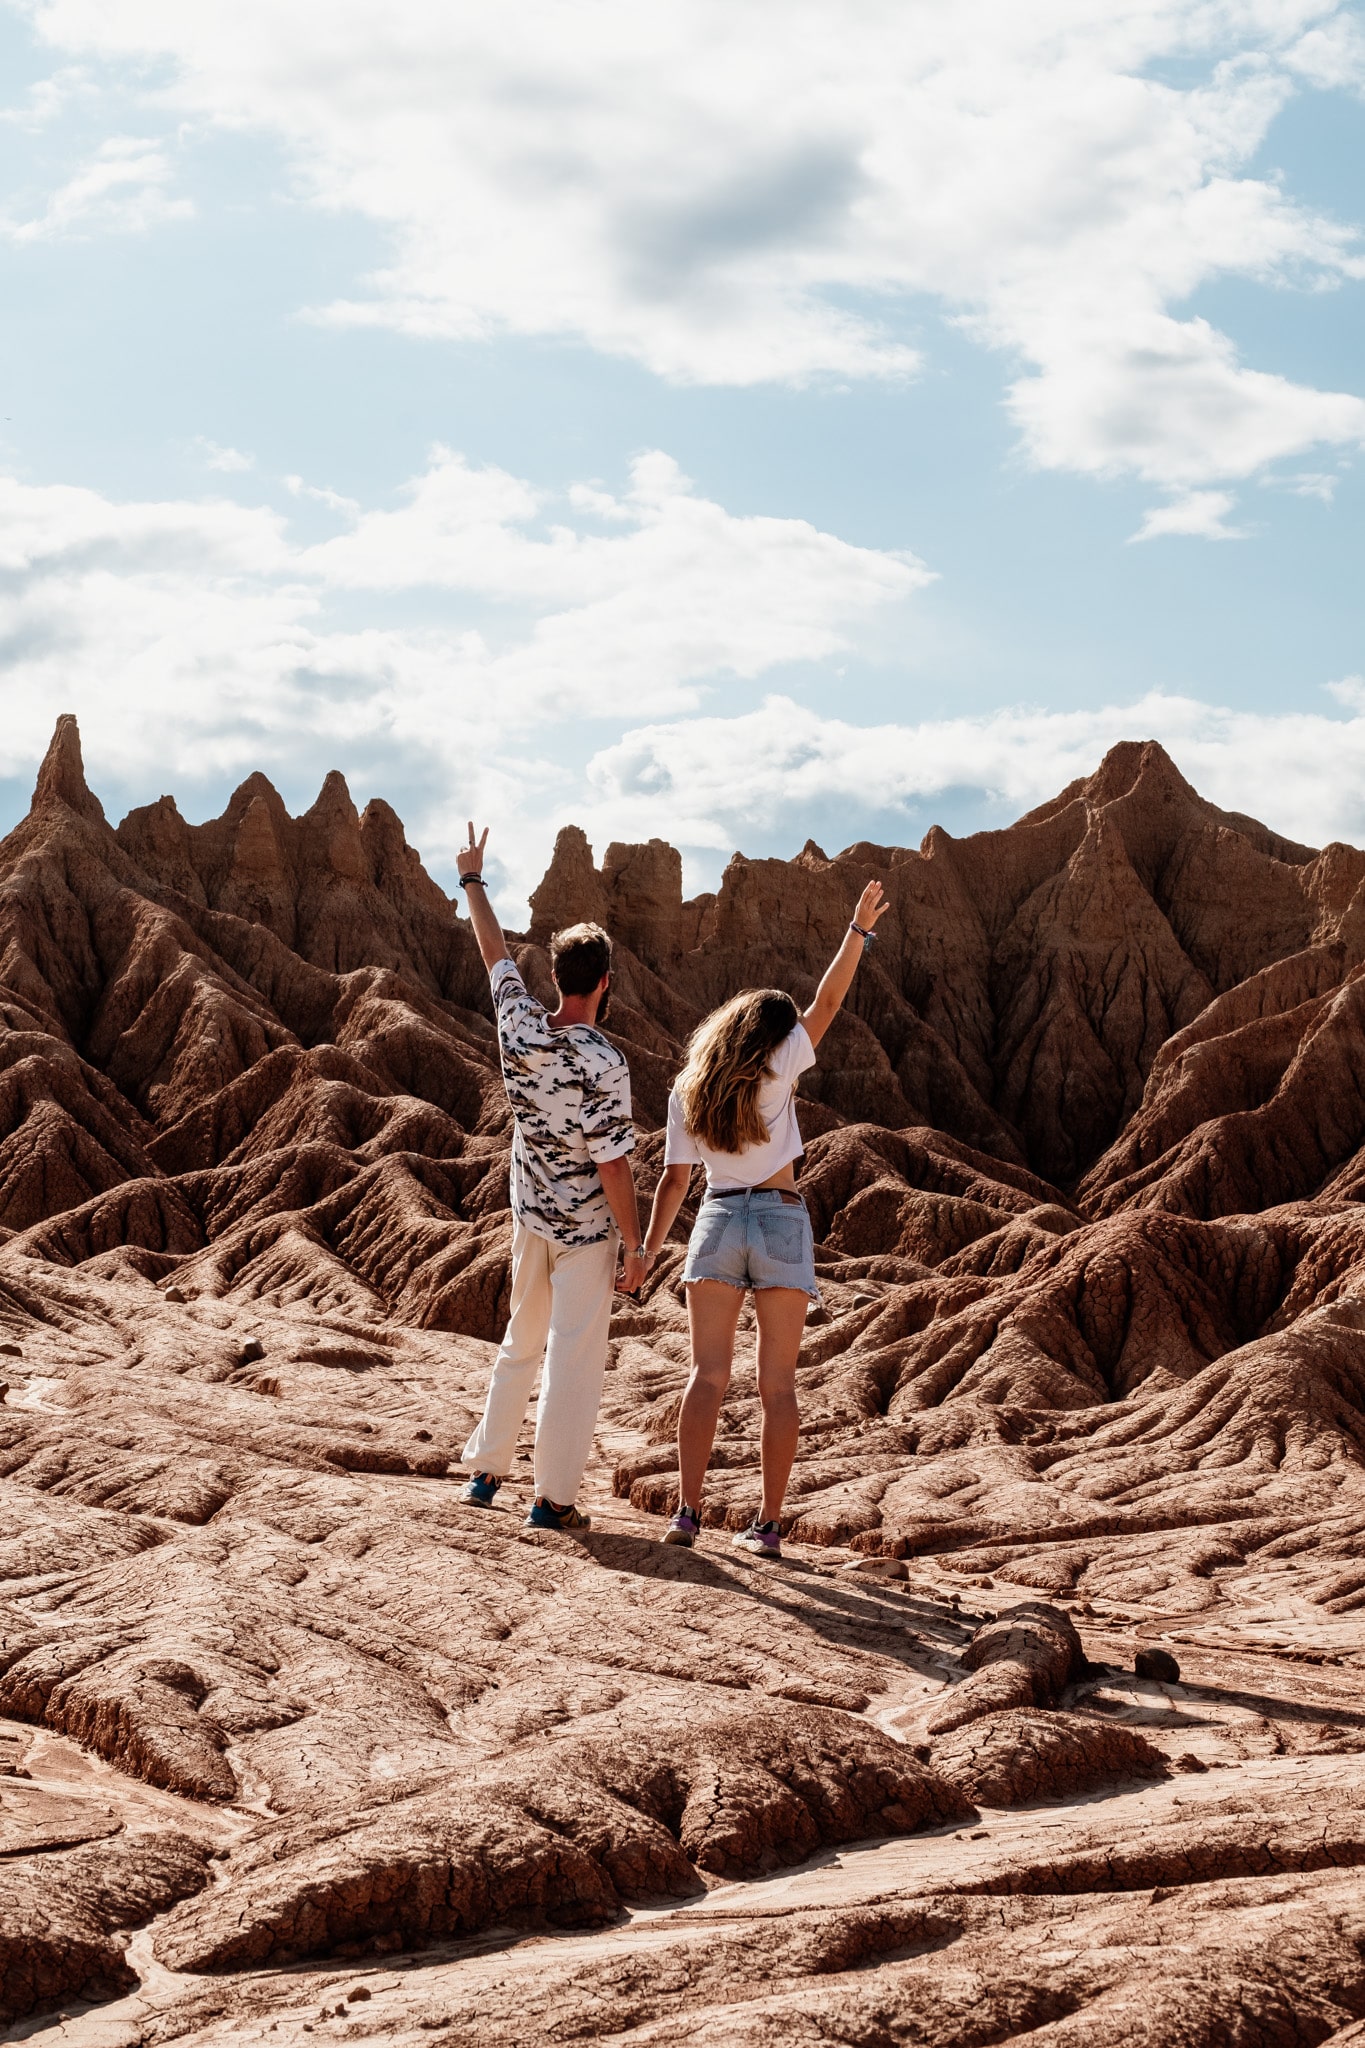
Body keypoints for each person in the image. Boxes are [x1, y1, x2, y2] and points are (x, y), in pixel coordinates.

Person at [639, 880, 889, 1557]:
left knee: (706, 1377)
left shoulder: (686, 1090)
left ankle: (686, 1514)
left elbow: (673, 1179)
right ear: (776, 1037)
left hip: (717, 1222)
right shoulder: (782, 1064)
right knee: (776, 1385)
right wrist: (856, 932)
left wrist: (646, 1251)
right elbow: (829, 1000)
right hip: (779, 1220)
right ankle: (768, 1526)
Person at [456, 823, 648, 1531]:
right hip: (587, 1231)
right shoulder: (605, 1062)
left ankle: (485, 1473)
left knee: (519, 1338)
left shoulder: (518, 1026)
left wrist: (473, 879)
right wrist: (636, 1246)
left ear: (556, 977)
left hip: (527, 1216)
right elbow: (612, 1162)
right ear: (601, 983)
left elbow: (493, 952)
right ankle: (552, 1500)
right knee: (572, 1360)